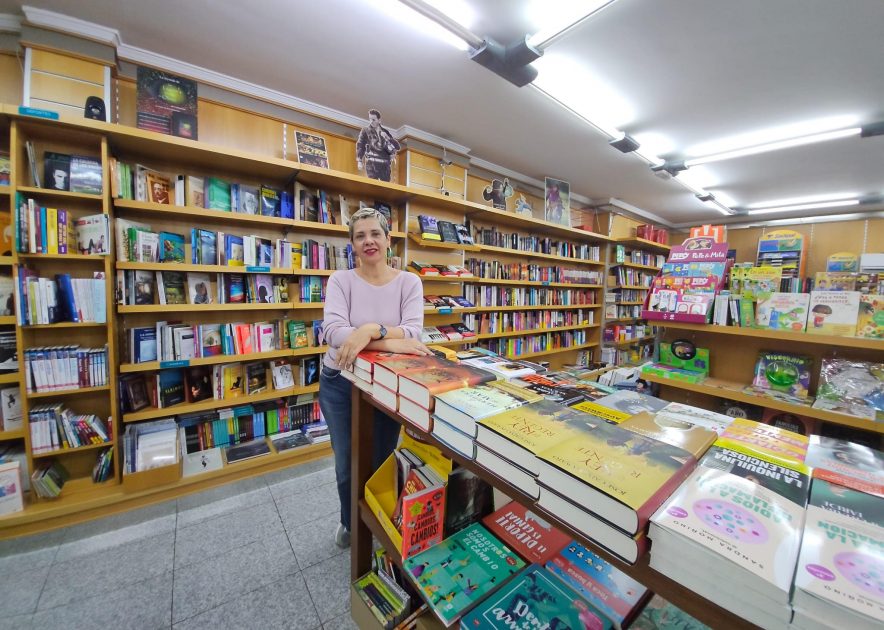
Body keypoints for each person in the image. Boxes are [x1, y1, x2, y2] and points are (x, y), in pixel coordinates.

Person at [320, 206, 431, 548]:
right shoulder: (340, 281)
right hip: (340, 381)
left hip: (386, 384)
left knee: (382, 458)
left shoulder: (409, 282)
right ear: (352, 244)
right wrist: (388, 341)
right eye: (360, 236)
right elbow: (333, 333)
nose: (368, 241)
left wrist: (368, 330)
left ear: (388, 240)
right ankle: (350, 521)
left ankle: (378, 517)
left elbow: (413, 332)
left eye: (375, 234)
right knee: (346, 462)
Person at [356, 109, 401, 182]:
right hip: (372, 164)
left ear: (379, 120)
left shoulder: (385, 131)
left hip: (385, 165)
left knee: (385, 187)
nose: (371, 121)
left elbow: (397, 147)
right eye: (370, 119)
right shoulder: (365, 130)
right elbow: (360, 145)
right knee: (372, 186)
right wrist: (359, 160)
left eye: (373, 120)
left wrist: (388, 137)